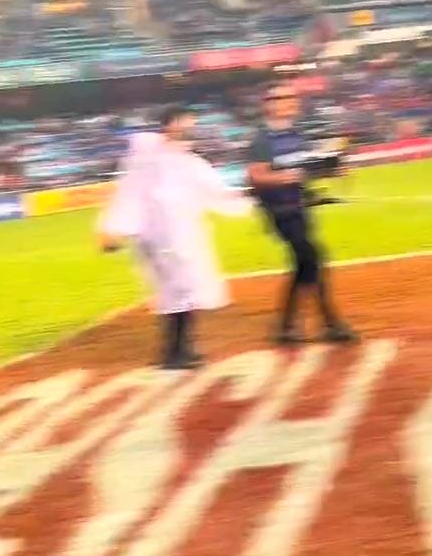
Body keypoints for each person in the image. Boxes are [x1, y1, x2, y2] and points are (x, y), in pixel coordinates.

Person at [98, 106, 248, 369]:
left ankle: (183, 348)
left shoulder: (189, 160)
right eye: (187, 123)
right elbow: (129, 194)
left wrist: (250, 195)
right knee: (174, 292)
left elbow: (216, 191)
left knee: (188, 291)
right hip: (158, 237)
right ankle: (173, 353)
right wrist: (114, 228)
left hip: (185, 235)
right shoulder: (146, 158)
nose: (191, 129)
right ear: (170, 125)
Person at [247, 84, 357, 346]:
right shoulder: (263, 140)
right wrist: (285, 177)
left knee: (305, 265)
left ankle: (286, 327)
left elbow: (306, 169)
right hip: (281, 211)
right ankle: (330, 323)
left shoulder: (297, 135)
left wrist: (332, 170)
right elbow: (255, 176)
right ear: (268, 104)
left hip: (301, 208)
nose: (291, 101)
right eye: (283, 97)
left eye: (293, 97)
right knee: (313, 259)